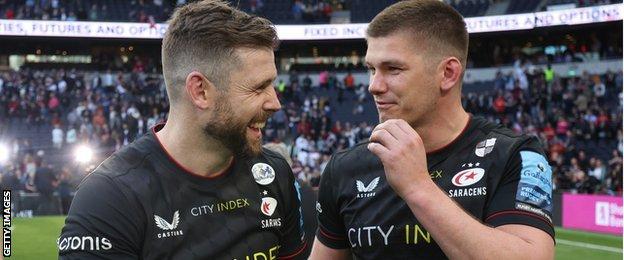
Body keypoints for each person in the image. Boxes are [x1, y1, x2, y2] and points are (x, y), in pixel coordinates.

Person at [58, 1, 307, 259]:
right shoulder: (110, 199)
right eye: (258, 88)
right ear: (200, 91)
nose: (275, 103)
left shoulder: (273, 174)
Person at [310, 1, 555, 259]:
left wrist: (417, 186)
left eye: (393, 69)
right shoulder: (346, 167)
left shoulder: (513, 155)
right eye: (371, 69)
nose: (374, 85)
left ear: (448, 73)